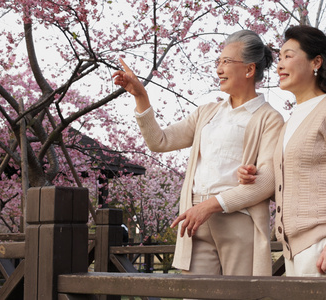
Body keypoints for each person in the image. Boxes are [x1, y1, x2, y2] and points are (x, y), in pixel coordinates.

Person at [113, 30, 283, 276]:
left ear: (249, 70)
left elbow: (266, 182)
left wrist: (212, 205)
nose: (219, 69)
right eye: (218, 62)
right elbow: (159, 141)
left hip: (238, 220)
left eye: (226, 62)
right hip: (195, 220)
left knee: (238, 296)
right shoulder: (207, 112)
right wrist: (141, 96)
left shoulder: (269, 118)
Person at [238, 25, 326, 277]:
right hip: (296, 247)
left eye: (288, 56)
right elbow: (296, 184)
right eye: (279, 58)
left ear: (316, 62)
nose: (279, 65)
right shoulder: (292, 121)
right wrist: (257, 178)